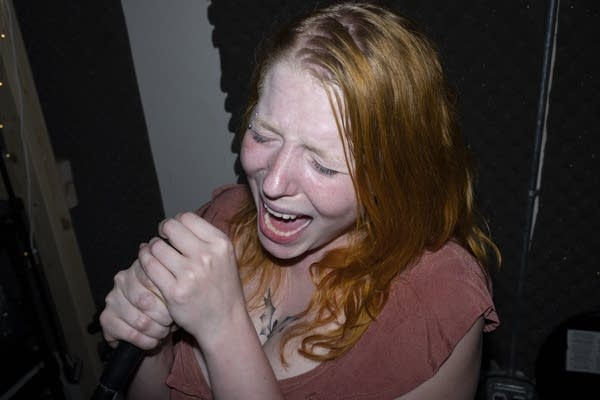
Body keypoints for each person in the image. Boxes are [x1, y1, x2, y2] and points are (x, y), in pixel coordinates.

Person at [99, 2, 500, 399]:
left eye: (322, 166)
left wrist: (223, 329)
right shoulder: (223, 219)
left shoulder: (438, 301)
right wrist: (148, 346)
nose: (271, 184)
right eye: (263, 135)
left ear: (393, 173)